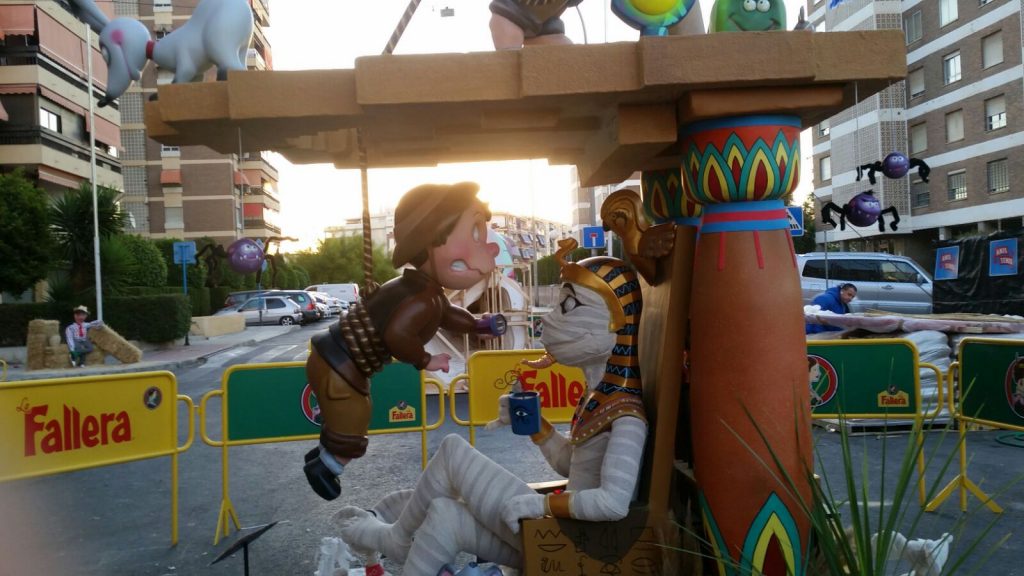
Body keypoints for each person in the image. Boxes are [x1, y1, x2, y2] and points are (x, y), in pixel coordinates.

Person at [336, 240, 647, 575]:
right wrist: (537, 427)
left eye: (570, 305)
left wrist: (539, 503)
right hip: (560, 535)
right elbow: (572, 465)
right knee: (444, 514)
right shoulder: (598, 399)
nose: (551, 318)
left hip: (578, 544)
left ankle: (397, 538)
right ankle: (396, 539)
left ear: (617, 323)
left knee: (453, 452)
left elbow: (613, 502)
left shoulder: (627, 416)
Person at [303, 182, 505, 501]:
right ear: (429, 241)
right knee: (354, 420)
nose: (488, 247)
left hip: (336, 361)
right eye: (474, 233)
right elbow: (397, 335)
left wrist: (478, 324)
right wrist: (425, 360)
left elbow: (448, 315)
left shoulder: (423, 291)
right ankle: (324, 468)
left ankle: (323, 456)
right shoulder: (420, 298)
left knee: (348, 416)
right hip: (338, 366)